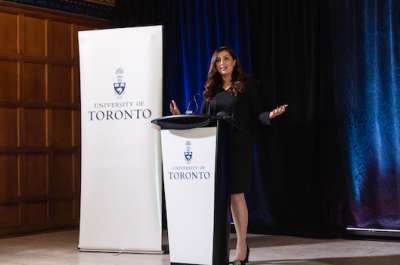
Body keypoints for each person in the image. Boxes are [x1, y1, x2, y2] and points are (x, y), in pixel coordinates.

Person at [169, 46, 287, 265]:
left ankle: (242, 246)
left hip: (238, 146)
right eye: (218, 61)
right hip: (214, 147)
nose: (222, 63)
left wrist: (269, 115)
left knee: (236, 195)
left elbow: (255, 115)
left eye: (226, 59)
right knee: (216, 199)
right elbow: (202, 119)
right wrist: (179, 117)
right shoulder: (211, 91)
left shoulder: (245, 87)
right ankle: (211, 247)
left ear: (234, 62)